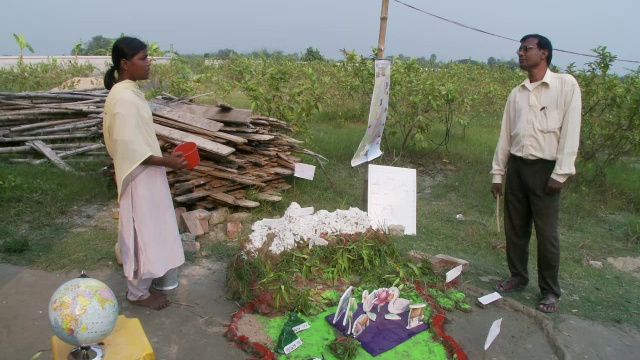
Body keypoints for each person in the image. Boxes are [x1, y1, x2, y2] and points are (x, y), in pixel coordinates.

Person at [490, 34, 581, 313]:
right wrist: (498, 173)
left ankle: (550, 291)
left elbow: (570, 131)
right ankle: (518, 276)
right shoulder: (517, 93)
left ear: (544, 53)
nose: (520, 53)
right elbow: (506, 135)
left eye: (526, 48)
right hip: (517, 167)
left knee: (547, 234)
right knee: (515, 229)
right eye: (519, 48)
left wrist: (561, 173)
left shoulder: (565, 86)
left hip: (546, 170)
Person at [103, 37, 187, 310]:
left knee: (147, 227)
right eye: (143, 58)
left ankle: (145, 283)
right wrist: (169, 161)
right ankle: (138, 293)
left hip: (144, 170)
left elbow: (135, 139)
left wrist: (163, 158)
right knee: (139, 230)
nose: (149, 62)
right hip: (139, 173)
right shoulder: (125, 97)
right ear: (125, 64)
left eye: (147, 57)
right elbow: (130, 148)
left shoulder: (126, 92)